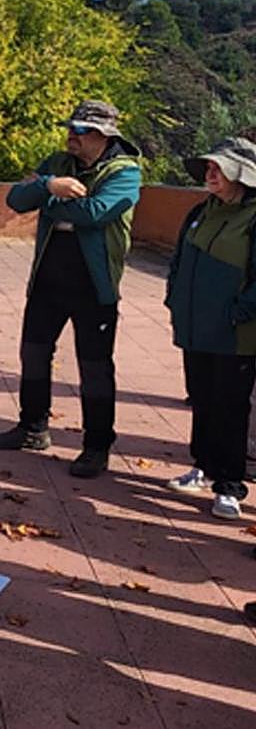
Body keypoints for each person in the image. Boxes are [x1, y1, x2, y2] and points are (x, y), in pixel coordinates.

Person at [0, 100, 141, 478]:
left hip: (94, 286)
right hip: (47, 281)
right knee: (34, 354)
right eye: (70, 128)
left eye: (80, 130)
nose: (70, 135)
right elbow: (15, 199)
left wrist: (49, 201)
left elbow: (96, 214)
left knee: (94, 367)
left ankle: (96, 445)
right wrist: (46, 184)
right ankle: (33, 427)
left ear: (103, 136)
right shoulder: (56, 164)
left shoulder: (126, 172)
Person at [163, 137, 256, 520]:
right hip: (195, 327)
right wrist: (174, 299)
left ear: (242, 175)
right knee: (201, 399)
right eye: (209, 167)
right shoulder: (200, 211)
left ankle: (230, 486)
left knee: (231, 407)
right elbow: (179, 259)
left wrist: (238, 312)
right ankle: (202, 465)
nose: (210, 173)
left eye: (219, 167)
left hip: (237, 335)